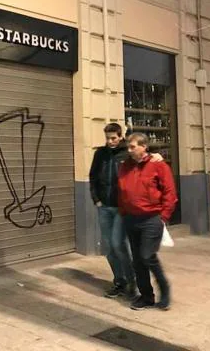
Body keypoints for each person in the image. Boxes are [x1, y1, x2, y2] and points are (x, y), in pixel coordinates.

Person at [89, 123, 162, 299]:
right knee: (109, 247)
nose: (110, 141)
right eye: (107, 138)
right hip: (104, 207)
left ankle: (133, 282)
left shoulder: (127, 152)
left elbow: (144, 156)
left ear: (120, 136)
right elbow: (93, 177)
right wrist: (96, 199)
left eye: (113, 138)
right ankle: (119, 281)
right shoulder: (100, 154)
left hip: (122, 208)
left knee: (118, 244)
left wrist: (156, 156)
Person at [117, 133, 177, 311]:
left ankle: (164, 288)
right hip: (131, 218)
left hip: (151, 219)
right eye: (128, 147)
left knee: (147, 256)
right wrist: (123, 211)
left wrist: (163, 217)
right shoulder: (125, 166)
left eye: (133, 146)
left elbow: (169, 192)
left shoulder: (158, 166)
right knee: (137, 260)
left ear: (144, 147)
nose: (129, 150)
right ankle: (146, 297)